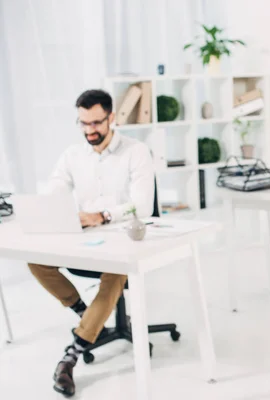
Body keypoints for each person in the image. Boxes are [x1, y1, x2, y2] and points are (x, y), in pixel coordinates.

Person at [27, 89, 155, 397]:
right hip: (84, 239)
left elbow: (143, 206)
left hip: (123, 238)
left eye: (96, 123)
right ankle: (88, 316)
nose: (90, 131)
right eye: (83, 123)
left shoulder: (136, 152)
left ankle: (70, 357)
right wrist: (47, 207)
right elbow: (56, 189)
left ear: (112, 118)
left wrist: (103, 215)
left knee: (114, 276)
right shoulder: (73, 155)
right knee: (37, 262)